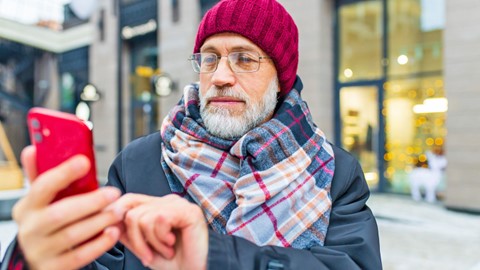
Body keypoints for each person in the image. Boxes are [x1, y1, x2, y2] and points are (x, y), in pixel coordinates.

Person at [2, 0, 382, 269]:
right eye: (210, 58)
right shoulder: (139, 163)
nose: (219, 77)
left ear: (280, 80)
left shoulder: (334, 173)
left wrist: (213, 258)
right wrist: (35, 257)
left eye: (245, 59)